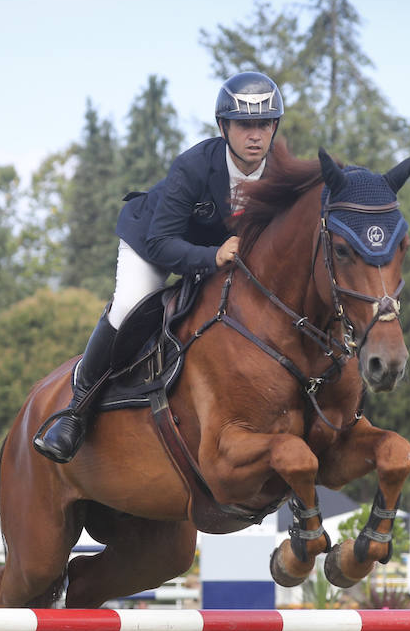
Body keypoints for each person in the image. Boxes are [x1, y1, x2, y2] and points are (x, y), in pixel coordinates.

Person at [32, 71, 285, 463]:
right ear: (223, 126)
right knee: (130, 306)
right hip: (153, 241)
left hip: (221, 254)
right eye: (244, 125)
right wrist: (211, 257)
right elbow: (161, 243)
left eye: (264, 124)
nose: (256, 135)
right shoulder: (194, 166)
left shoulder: (281, 174)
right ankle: (76, 409)